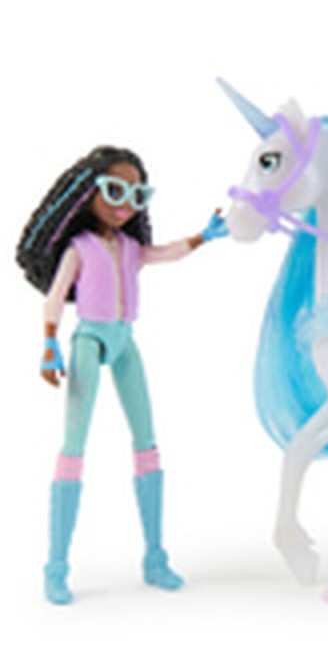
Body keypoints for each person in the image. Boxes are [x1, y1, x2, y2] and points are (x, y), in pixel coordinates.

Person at [16, 145, 227, 604]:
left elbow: (165, 253)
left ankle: (155, 556)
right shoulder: (79, 247)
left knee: (147, 440)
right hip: (88, 340)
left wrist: (203, 237)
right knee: (74, 446)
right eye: (114, 191)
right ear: (88, 193)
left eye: (136, 194)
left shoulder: (131, 248)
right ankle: (56, 567)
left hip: (125, 340)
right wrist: (49, 343)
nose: (124, 203)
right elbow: (54, 297)